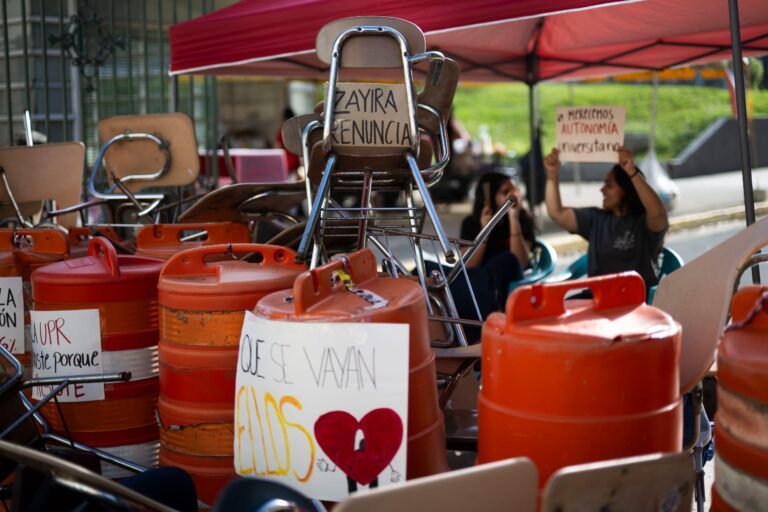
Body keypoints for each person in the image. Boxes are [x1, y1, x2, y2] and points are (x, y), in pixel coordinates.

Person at [543, 146, 668, 291]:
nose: (602, 189)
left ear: (627, 189)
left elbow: (658, 214)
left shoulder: (644, 223)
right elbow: (557, 213)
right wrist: (552, 175)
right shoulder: (596, 219)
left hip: (634, 302)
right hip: (596, 300)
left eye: (609, 185)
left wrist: (631, 172)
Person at [448, 172, 536, 341]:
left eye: (514, 188)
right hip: (477, 283)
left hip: (503, 282)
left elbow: (521, 261)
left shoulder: (522, 218)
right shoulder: (471, 223)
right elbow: (468, 265)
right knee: (428, 269)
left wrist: (513, 219)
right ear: (488, 196)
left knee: (505, 260)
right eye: (505, 191)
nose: (513, 194)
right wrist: (485, 230)